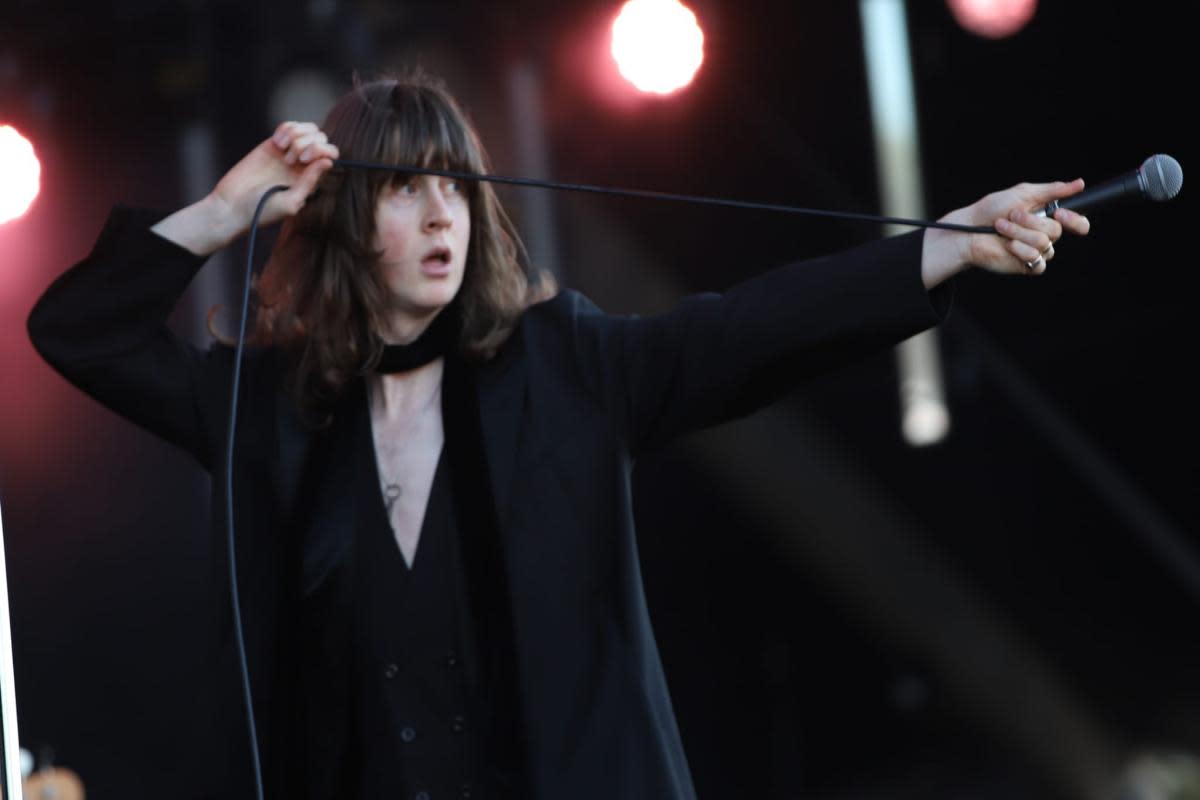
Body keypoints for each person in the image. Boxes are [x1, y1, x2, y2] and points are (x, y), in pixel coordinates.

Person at [27, 74, 1090, 800]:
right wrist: (224, 209)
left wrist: (946, 248)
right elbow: (80, 331)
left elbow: (749, 330)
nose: (443, 215)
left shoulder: (565, 369)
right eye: (404, 188)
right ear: (348, 223)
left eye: (455, 184)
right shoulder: (271, 414)